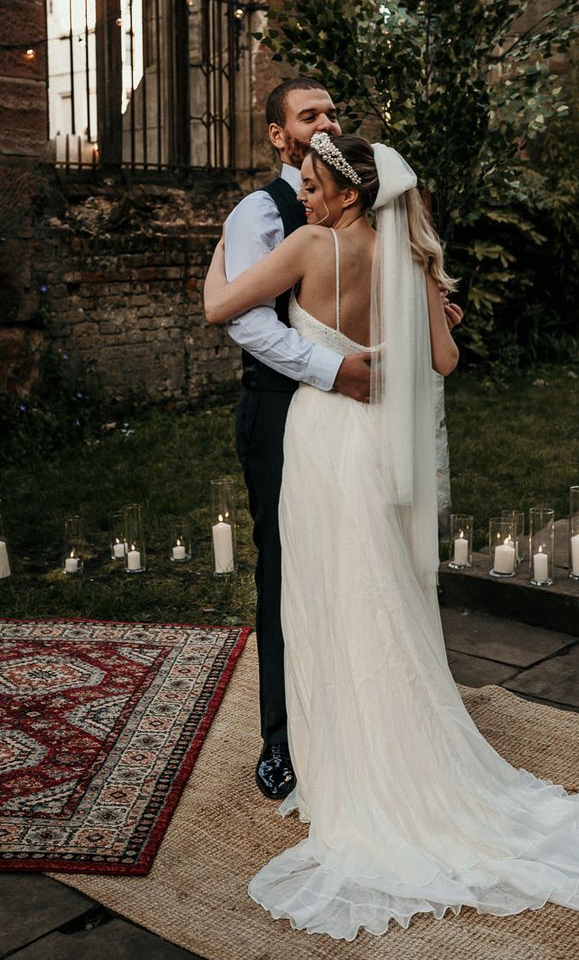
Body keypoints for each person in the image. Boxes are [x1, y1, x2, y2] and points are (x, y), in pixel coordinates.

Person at [205, 135, 579, 943]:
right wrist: (433, 307)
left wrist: (216, 254)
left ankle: (353, 774)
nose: (302, 196)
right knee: (383, 596)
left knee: (329, 595)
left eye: (312, 184)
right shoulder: (409, 258)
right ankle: (395, 751)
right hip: (374, 449)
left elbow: (218, 309)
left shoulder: (309, 245)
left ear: (345, 193)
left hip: (322, 440)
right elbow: (444, 360)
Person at [221, 79, 372, 802]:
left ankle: (347, 716)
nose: (325, 123)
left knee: (345, 559)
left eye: (333, 113)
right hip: (281, 408)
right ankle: (281, 738)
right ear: (279, 135)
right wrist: (331, 368)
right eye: (309, 115)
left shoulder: (351, 206)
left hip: (346, 416)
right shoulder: (262, 211)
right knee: (282, 571)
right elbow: (246, 320)